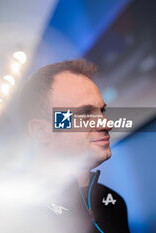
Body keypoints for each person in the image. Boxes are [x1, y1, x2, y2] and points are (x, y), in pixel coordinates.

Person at [19, 59, 131, 233]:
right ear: (41, 131)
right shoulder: (18, 212)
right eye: (85, 113)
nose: (106, 123)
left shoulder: (114, 202)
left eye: (102, 111)